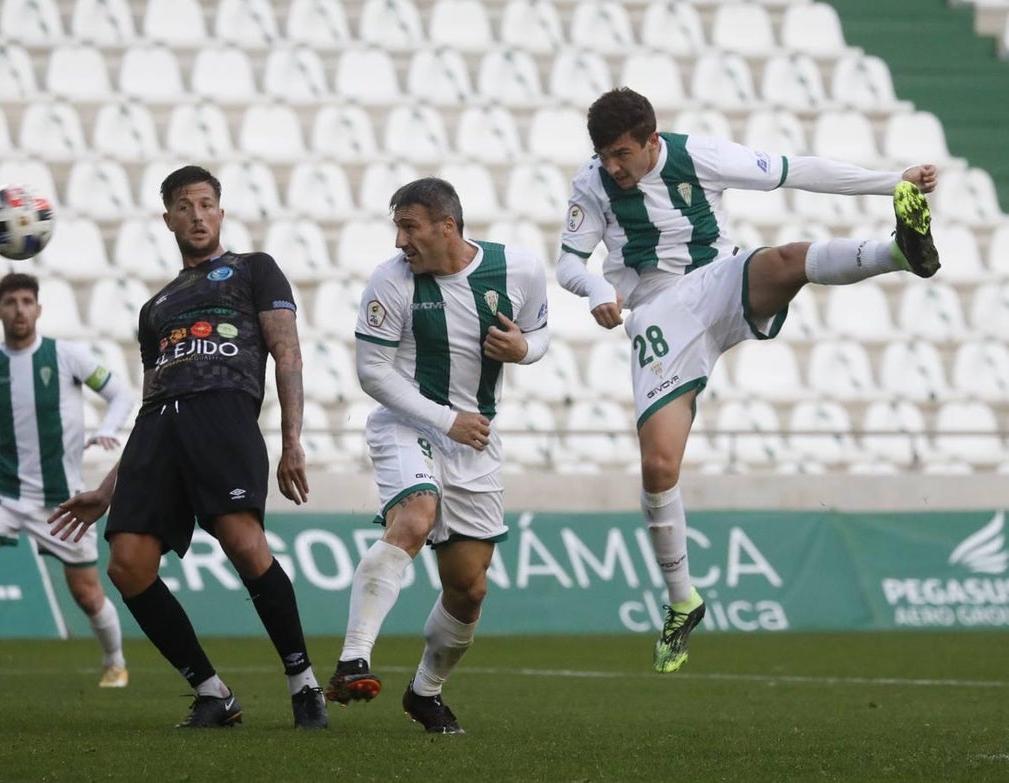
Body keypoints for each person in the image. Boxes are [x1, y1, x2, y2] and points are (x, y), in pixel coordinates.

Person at [555, 87, 941, 674]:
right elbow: (568, 262)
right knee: (658, 466)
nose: (612, 166)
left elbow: (796, 170)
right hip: (658, 314)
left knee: (784, 260)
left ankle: (899, 252)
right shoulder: (592, 182)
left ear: (652, 141)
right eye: (604, 155)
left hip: (719, 281)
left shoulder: (699, 155)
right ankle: (682, 601)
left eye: (622, 154)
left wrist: (894, 182)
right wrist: (595, 289)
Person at [47, 164, 328, 730]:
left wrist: (292, 440)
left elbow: (287, 352)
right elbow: (151, 397)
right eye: (184, 206)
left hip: (222, 412)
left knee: (243, 542)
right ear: (168, 219)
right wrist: (107, 489)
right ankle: (212, 693)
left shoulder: (255, 268)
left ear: (220, 212)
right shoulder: (155, 308)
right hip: (159, 428)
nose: (197, 216)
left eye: (205, 204)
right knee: (127, 566)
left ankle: (303, 684)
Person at [324, 177, 551, 734]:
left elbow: (541, 335)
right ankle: (354, 659)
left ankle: (425, 692)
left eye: (410, 228)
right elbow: (372, 372)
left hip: (475, 440)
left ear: (447, 227)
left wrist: (523, 349)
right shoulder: (391, 280)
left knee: (469, 588)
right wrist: (447, 419)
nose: (400, 241)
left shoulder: (518, 268)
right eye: (397, 228)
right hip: (409, 424)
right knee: (415, 516)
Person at [0, 272, 134, 689]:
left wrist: (108, 427)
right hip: (2, 494)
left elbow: (121, 394)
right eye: (11, 302)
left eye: (26, 301)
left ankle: (115, 662)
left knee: (87, 594)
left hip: (62, 499)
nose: (19, 310)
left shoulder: (66, 356)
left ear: (38, 309)